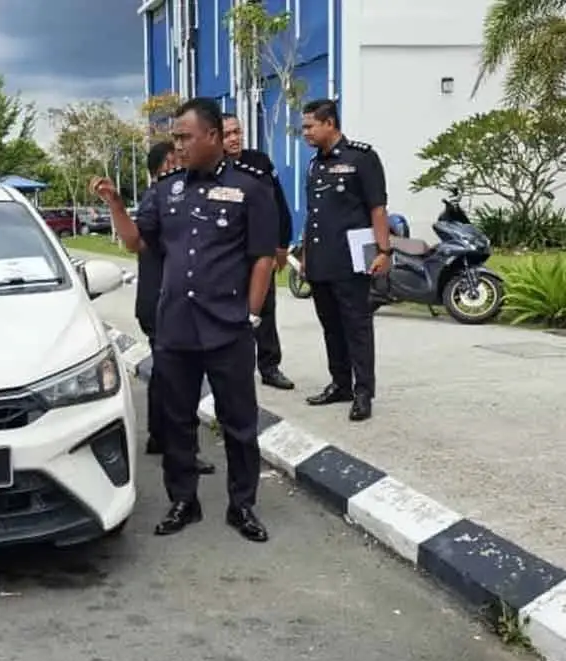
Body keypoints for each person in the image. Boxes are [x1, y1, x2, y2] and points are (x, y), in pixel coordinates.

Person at [90, 97, 278, 541]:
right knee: (176, 420)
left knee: (239, 422)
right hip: (176, 325)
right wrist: (116, 204)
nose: (177, 146)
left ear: (212, 136)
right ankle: (183, 500)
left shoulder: (250, 188)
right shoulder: (166, 188)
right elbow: (136, 242)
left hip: (227, 326)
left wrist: (250, 316)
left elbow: (263, 259)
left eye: (184, 137)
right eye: (175, 138)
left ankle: (242, 505)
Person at [299, 99, 391, 422]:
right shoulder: (314, 165)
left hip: (352, 259)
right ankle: (340, 383)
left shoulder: (362, 158)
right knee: (331, 327)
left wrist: (383, 251)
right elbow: (314, 215)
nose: (305, 132)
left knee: (357, 326)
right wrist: (307, 256)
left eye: (310, 126)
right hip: (322, 259)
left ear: (330, 123)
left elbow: (377, 208)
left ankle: (363, 391)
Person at [136, 141, 216, 476]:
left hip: (163, 302)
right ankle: (181, 448)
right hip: (162, 303)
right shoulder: (159, 200)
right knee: (178, 379)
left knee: (163, 374)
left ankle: (159, 435)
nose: (177, 164)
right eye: (170, 162)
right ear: (157, 170)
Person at [221, 113, 295, 391]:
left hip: (260, 252)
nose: (234, 138)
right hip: (229, 255)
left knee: (265, 309)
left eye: (237, 132)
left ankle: (269, 366)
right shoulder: (212, 169)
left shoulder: (259, 163)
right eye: (227, 134)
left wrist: (282, 245)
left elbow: (279, 205)